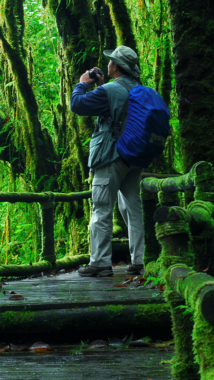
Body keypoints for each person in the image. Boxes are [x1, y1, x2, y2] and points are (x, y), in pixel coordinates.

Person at [70, 46, 145, 277]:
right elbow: (118, 109)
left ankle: (100, 263)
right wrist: (103, 85)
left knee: (102, 208)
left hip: (110, 156)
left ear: (115, 67)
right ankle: (140, 261)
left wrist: (83, 83)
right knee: (134, 209)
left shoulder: (110, 90)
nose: (109, 64)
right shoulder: (138, 89)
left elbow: (78, 105)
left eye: (111, 61)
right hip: (134, 157)